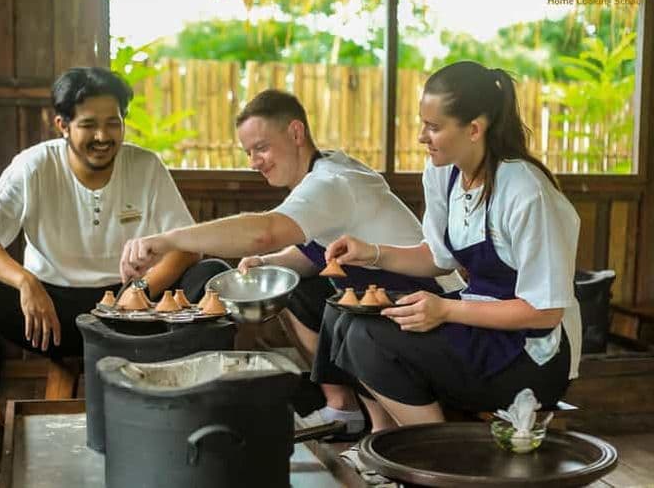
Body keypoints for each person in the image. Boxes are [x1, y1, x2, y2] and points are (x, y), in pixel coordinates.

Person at [0, 67, 228, 474]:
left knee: (211, 273)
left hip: (130, 309)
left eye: (113, 123)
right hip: (48, 308)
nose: (103, 137)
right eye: (89, 125)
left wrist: (138, 290)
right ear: (62, 125)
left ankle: (192, 414)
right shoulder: (34, 166)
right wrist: (24, 280)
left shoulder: (146, 166)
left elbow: (186, 248)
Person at [120, 89, 462, 437]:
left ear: (296, 133)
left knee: (349, 316)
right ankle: (351, 413)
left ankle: (397, 435)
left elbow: (265, 231)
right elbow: (314, 255)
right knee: (286, 282)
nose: (255, 161)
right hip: (384, 295)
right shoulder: (321, 174)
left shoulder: (331, 181)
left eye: (262, 148)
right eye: (249, 153)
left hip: (434, 301)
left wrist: (168, 239)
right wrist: (266, 262)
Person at [324, 61, 582, 426]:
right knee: (343, 318)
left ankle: (436, 454)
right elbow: (437, 257)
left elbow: (545, 311)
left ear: (474, 129)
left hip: (530, 355)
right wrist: (372, 254)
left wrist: (445, 311)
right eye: (422, 124)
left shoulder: (526, 193)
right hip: (477, 325)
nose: (421, 137)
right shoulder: (444, 172)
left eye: (433, 127)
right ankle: (384, 442)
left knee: (370, 337)